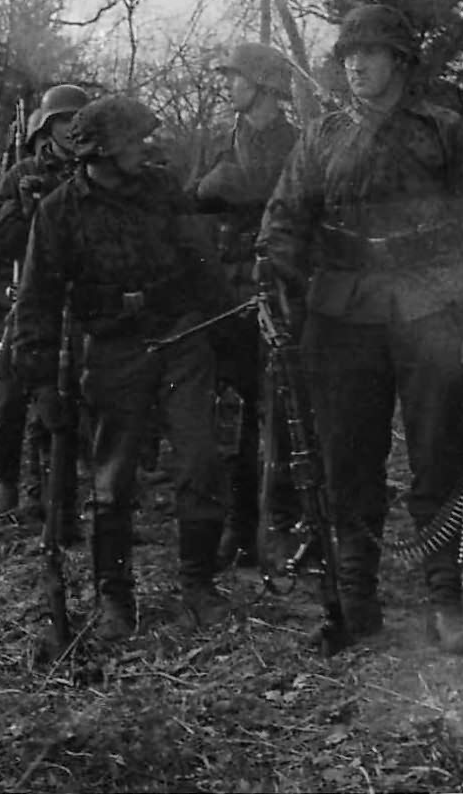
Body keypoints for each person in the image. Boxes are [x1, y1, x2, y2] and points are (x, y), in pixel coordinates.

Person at [256, 3, 463, 655]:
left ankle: (444, 604)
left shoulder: (445, 132)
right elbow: (285, 220)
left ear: (400, 61)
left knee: (438, 459)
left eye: (370, 54)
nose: (357, 66)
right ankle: (355, 601)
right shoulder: (320, 138)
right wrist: (274, 287)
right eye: (347, 56)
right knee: (345, 461)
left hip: (431, 306)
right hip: (341, 314)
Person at [13, 94, 236, 638]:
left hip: (181, 333)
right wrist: (41, 383)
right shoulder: (59, 211)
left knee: (200, 462)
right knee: (112, 480)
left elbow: (202, 265)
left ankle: (199, 586)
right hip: (113, 347)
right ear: (104, 152)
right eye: (133, 140)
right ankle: (115, 600)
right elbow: (37, 301)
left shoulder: (161, 191)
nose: (143, 148)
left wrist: (231, 336)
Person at [0, 83, 89, 520]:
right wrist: (24, 210)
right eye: (64, 121)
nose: (73, 129)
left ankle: (46, 489)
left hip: (66, 307)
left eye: (78, 121)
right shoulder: (19, 176)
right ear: (47, 130)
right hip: (11, 305)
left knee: (60, 400)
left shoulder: (91, 175)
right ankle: (6, 482)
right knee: (7, 401)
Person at [193, 42, 300, 570]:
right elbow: (193, 199)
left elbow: (278, 198)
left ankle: (279, 527)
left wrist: (230, 187)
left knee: (280, 414)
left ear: (262, 85)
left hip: (280, 292)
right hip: (224, 296)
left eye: (237, 77)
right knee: (230, 420)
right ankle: (236, 524)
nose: (228, 85)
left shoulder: (298, 145)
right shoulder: (221, 141)